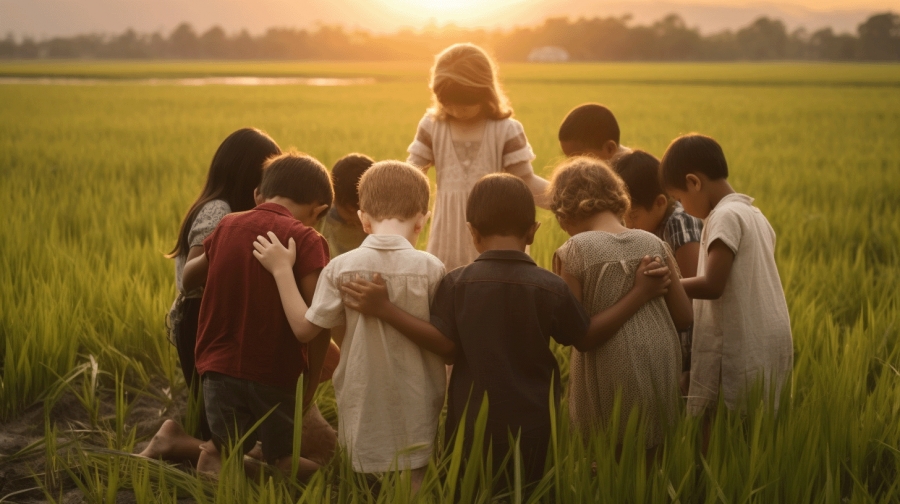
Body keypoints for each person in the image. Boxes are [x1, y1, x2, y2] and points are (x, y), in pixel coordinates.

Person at [340, 174, 670, 487]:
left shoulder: (456, 284)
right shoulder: (550, 287)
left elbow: (447, 348)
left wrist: (385, 309)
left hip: (471, 427)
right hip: (537, 426)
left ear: (472, 232)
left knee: (472, 491)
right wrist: (639, 293)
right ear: (533, 231)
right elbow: (585, 338)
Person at [251, 161, 445, 494]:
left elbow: (304, 330)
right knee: (415, 476)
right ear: (422, 220)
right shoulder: (432, 269)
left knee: (362, 481)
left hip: (362, 395)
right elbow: (445, 338)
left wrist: (283, 270)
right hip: (418, 396)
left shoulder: (341, 268)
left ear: (363, 219)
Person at [181, 152, 336, 477]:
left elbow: (189, 278)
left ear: (257, 194)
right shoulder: (308, 239)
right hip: (274, 375)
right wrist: (310, 383)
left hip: (217, 369)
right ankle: (328, 482)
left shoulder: (227, 225)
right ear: (318, 211)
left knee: (224, 450)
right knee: (281, 458)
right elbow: (318, 321)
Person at [549, 157, 693, 459]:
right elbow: (684, 316)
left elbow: (578, 335)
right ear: (618, 199)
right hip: (660, 364)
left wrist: (639, 294)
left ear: (563, 213)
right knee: (653, 459)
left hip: (610, 370)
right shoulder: (651, 242)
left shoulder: (575, 250)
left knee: (607, 459)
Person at [659, 134, 793, 419]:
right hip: (765, 336)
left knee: (718, 424)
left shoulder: (725, 216)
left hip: (738, 340)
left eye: (680, 199)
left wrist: (665, 284)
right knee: (756, 425)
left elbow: (713, 284)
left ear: (694, 182)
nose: (682, 207)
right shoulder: (754, 214)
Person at [165, 127, 281, 440]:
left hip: (209, 314)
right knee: (214, 414)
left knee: (220, 411)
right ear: (248, 175)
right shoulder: (220, 211)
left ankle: (183, 441)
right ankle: (174, 441)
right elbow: (193, 276)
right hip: (200, 315)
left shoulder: (233, 211)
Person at [407, 43, 550, 271]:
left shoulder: (506, 130)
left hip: (498, 243)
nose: (455, 109)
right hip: (446, 241)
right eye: (447, 102)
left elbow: (526, 181)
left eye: (463, 103)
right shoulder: (432, 127)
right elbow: (411, 177)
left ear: (485, 92)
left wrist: (569, 203)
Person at [612, 149, 703, 392]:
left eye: (633, 216)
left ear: (660, 203)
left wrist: (650, 287)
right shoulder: (652, 225)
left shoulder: (679, 223)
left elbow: (691, 288)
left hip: (692, 337)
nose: (628, 225)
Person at [318, 153, 374, 258]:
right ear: (333, 199)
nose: (356, 219)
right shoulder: (322, 219)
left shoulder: (379, 225)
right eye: (351, 212)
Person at [558, 103, 630, 160]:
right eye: (569, 160)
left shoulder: (635, 175)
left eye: (580, 161)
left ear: (609, 149)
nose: (572, 167)